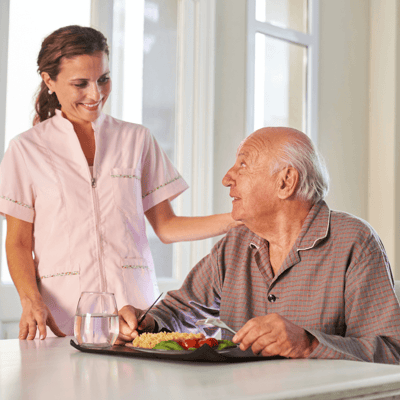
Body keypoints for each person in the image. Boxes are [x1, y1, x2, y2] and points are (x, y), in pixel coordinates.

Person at [0, 25, 238, 340]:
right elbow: (19, 242)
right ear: (49, 80)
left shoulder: (136, 139)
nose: (95, 94)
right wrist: (30, 300)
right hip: (64, 316)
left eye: (103, 79)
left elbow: (166, 227)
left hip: (136, 313)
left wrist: (237, 219)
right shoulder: (26, 149)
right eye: (80, 84)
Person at [119, 127, 400, 364]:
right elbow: (180, 310)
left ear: (286, 181)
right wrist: (147, 323)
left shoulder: (354, 242)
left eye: (243, 164)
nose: (227, 178)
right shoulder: (236, 243)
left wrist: (308, 344)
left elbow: (392, 352)